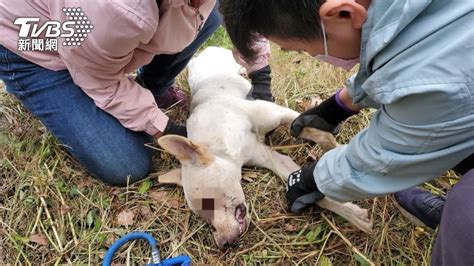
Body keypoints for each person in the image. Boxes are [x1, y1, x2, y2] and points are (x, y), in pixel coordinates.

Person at [221, 0, 473, 264]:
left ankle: (456, 217)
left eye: (302, 50)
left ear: (343, 13)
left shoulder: (434, 87)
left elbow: (382, 158)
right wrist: (338, 106)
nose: (310, 56)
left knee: (466, 215)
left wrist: (314, 179)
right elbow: (402, 49)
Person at [0, 0, 272, 186]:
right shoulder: (116, 9)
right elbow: (100, 81)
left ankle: (150, 89)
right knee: (125, 164)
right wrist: (166, 128)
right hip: (35, 45)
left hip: (95, 39)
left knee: (210, 15)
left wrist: (261, 74)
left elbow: (239, 8)